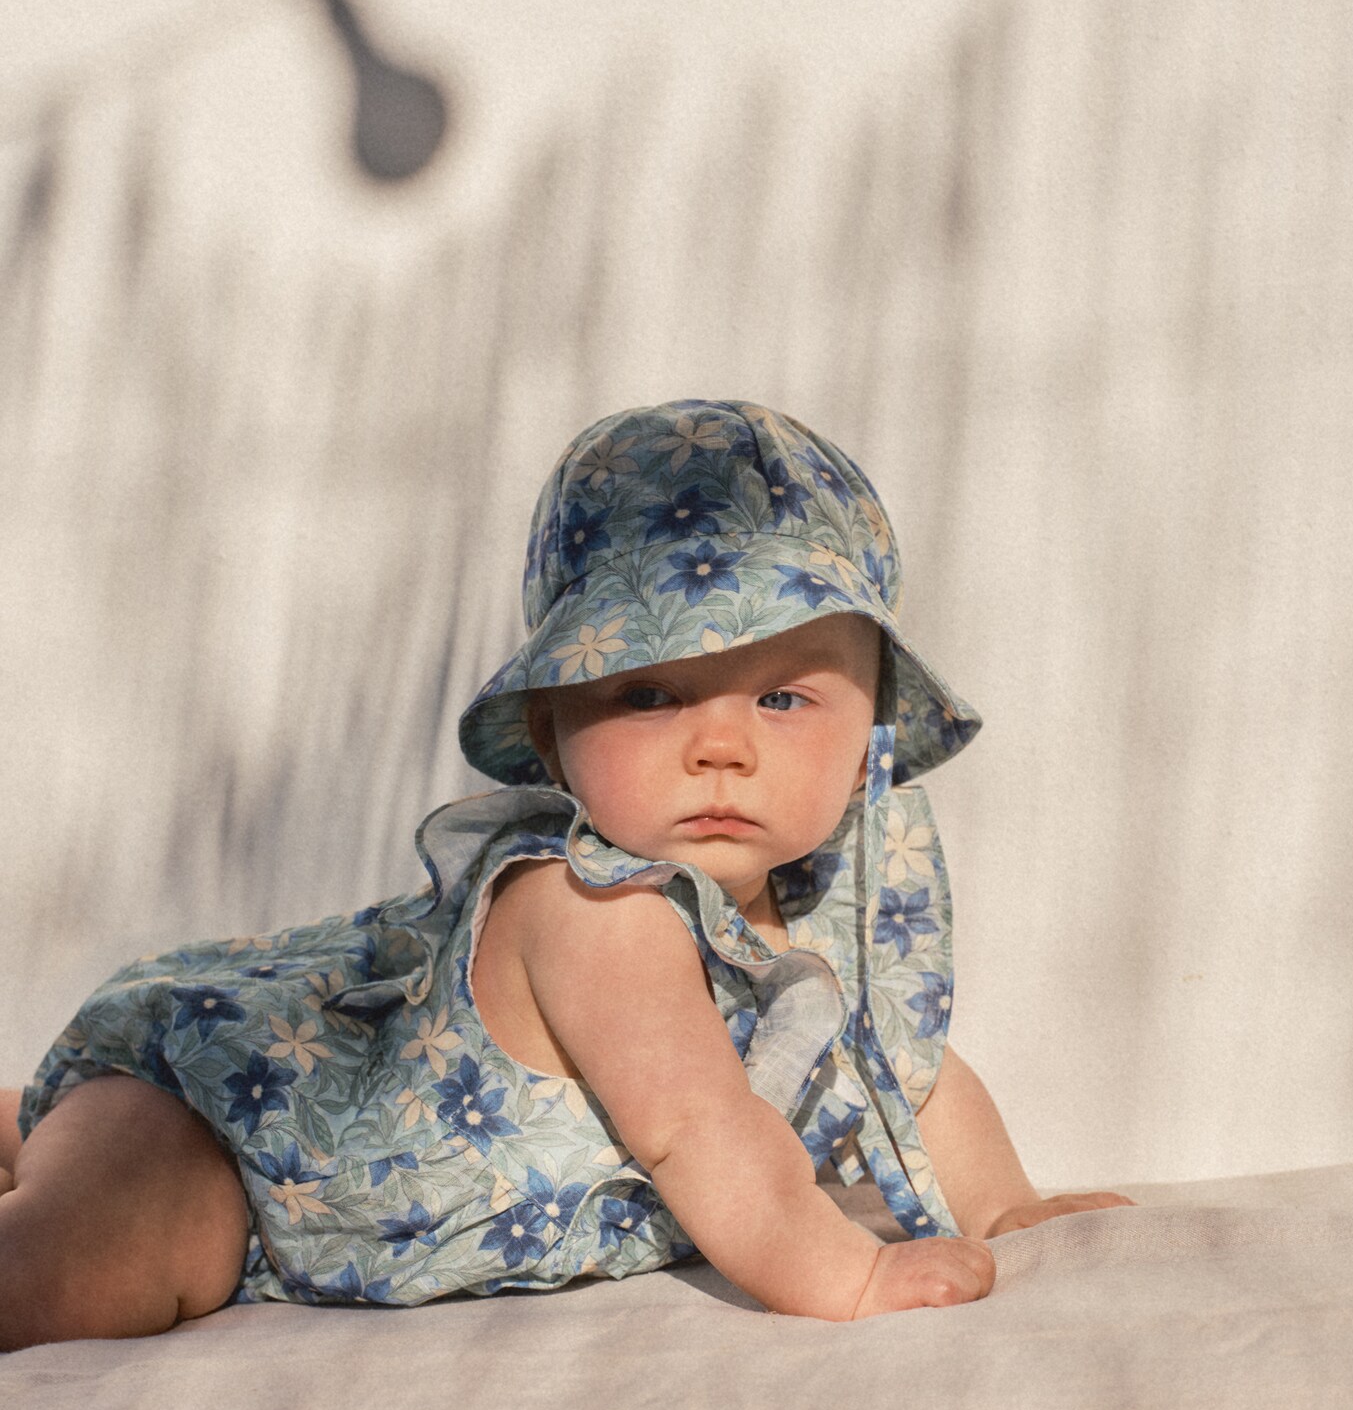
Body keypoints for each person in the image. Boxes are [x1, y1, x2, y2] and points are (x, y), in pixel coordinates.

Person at [0, 399, 1130, 1348]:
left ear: (872, 728)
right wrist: (848, 1277)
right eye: (648, 694)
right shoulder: (596, 912)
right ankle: (54, 1135)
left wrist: (1002, 1207)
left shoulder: (819, 919)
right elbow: (697, 1124)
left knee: (64, 1166)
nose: (720, 744)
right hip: (237, 1141)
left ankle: (28, 1126)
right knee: (107, 1259)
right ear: (550, 732)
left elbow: (913, 1074)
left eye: (782, 697)